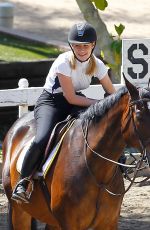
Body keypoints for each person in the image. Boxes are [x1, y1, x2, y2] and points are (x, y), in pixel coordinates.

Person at [12, 22, 116, 203]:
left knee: (103, 127)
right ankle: (23, 182)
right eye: (77, 45)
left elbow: (112, 93)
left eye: (85, 45)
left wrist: (112, 106)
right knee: (41, 137)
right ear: (71, 46)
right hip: (52, 103)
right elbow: (71, 98)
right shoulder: (63, 62)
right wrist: (100, 104)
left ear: (93, 45)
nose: (81, 50)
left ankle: (116, 166)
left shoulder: (97, 64)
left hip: (76, 100)